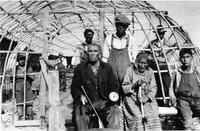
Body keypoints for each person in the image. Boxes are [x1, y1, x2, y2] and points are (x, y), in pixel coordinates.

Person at [70, 43, 121, 130]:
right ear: (87, 53)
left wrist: (113, 94)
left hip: (103, 102)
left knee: (115, 110)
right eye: (90, 51)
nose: (92, 53)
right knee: (79, 111)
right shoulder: (80, 68)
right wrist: (80, 95)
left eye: (95, 51)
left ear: (100, 54)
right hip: (87, 103)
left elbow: (114, 85)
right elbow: (74, 87)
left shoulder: (107, 68)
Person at [122, 52, 162, 131]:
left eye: (145, 63)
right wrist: (134, 85)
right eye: (140, 63)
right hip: (132, 99)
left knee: (153, 116)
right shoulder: (130, 70)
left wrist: (147, 98)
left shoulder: (150, 71)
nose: (142, 65)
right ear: (137, 62)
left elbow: (153, 87)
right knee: (138, 117)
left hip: (147, 99)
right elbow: (125, 87)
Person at [102, 14, 138, 89]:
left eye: (124, 25)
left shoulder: (131, 40)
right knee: (113, 93)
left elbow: (135, 58)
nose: (121, 27)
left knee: (127, 93)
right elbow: (105, 58)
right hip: (112, 72)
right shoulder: (109, 39)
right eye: (119, 25)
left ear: (126, 27)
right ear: (116, 25)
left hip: (127, 73)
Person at [169, 48, 200, 130]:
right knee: (188, 122)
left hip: (197, 99)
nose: (185, 59)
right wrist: (172, 97)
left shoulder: (196, 70)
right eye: (183, 57)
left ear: (191, 58)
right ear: (180, 59)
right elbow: (171, 87)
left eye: (187, 57)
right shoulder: (177, 72)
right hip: (184, 100)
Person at [145, 25, 172, 104]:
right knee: (156, 86)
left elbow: (167, 58)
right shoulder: (152, 43)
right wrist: (151, 58)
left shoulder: (168, 43)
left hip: (163, 67)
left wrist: (157, 58)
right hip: (154, 67)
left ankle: (167, 103)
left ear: (164, 34)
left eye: (161, 33)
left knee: (166, 85)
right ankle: (157, 104)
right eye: (158, 33)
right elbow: (146, 53)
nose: (160, 35)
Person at [15, 54, 35, 120]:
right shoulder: (15, 68)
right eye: (20, 60)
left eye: (23, 60)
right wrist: (17, 76)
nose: (22, 61)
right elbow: (11, 78)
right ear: (18, 61)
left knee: (29, 100)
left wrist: (27, 75)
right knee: (19, 101)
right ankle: (20, 116)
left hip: (27, 86)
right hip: (18, 87)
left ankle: (29, 114)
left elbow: (33, 77)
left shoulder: (29, 68)